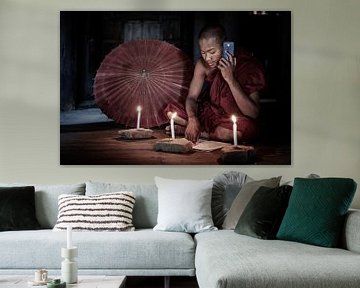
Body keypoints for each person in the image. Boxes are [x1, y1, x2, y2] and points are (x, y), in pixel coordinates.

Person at [164, 24, 266, 143]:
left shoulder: (245, 65)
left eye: (212, 52)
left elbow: (253, 113)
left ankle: (199, 132)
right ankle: (194, 127)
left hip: (235, 119)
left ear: (225, 46)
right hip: (211, 113)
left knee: (240, 131)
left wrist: (230, 79)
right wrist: (192, 119)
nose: (207, 58)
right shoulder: (202, 65)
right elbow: (191, 98)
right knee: (171, 111)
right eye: (203, 52)